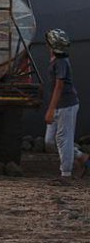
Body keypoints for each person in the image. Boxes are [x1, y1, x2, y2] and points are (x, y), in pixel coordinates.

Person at [43, 29, 90, 178]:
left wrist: (50, 109)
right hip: (59, 104)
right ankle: (82, 157)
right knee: (50, 141)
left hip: (66, 105)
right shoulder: (55, 59)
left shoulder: (61, 61)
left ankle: (66, 174)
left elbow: (59, 86)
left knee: (64, 139)